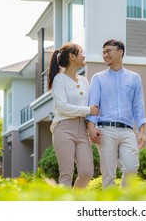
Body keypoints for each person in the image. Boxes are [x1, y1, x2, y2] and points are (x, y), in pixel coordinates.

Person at [86, 39, 146, 189]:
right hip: (105, 130)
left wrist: (142, 131)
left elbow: (138, 106)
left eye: (108, 51)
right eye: (103, 52)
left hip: (127, 131)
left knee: (132, 168)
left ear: (120, 52)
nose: (105, 55)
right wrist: (91, 128)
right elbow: (93, 105)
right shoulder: (98, 78)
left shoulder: (134, 78)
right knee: (108, 174)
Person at [48, 42, 100, 188]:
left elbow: (92, 106)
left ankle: (74, 200)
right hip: (63, 128)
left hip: (82, 130)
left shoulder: (84, 81)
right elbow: (63, 107)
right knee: (66, 174)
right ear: (72, 56)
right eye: (81, 53)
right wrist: (88, 110)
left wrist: (91, 126)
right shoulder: (59, 79)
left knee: (87, 172)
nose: (84, 56)